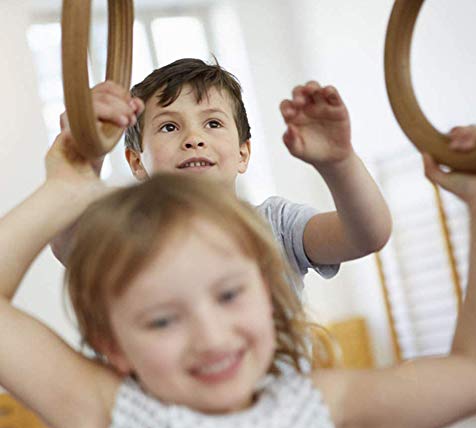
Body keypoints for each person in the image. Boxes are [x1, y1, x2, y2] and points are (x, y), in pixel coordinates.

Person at [0, 124, 476, 428]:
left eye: (229, 295)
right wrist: (61, 193)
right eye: (161, 320)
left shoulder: (324, 410)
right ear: (113, 344)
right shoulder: (101, 413)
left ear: (268, 290)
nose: (211, 336)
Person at [53, 58, 393, 295]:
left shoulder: (275, 226)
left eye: (212, 123)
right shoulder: (131, 239)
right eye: (169, 126)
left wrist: (339, 162)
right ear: (136, 162)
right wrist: (86, 153)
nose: (193, 138)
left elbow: (367, 235)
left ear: (243, 153)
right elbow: (72, 247)